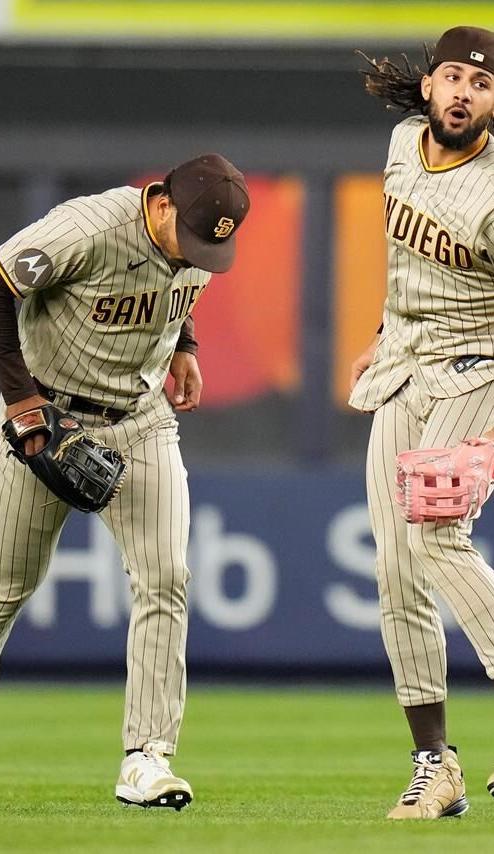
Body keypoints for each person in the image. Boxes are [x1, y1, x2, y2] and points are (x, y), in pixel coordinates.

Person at [0, 154, 250, 810]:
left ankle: (147, 758)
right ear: (159, 201)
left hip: (139, 421)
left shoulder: (196, 243)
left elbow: (177, 287)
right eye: (190, 236)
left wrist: (184, 347)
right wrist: (22, 403)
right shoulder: (86, 228)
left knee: (166, 578)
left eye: (209, 245)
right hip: (46, 416)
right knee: (4, 587)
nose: (197, 252)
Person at [350, 26, 494, 819]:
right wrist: (379, 335)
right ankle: (436, 766)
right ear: (431, 86)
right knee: (398, 571)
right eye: (453, 77)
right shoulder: (403, 142)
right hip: (403, 369)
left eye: (482, 84)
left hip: (480, 366)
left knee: (438, 533)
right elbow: (408, 269)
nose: (464, 92)